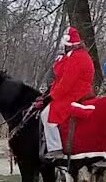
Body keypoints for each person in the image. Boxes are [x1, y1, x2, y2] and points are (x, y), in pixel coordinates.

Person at [35, 27, 95, 160]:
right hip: (73, 90)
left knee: (47, 115)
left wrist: (52, 96)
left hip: (75, 93)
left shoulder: (76, 58)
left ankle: (55, 148)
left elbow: (66, 82)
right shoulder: (77, 56)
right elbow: (60, 75)